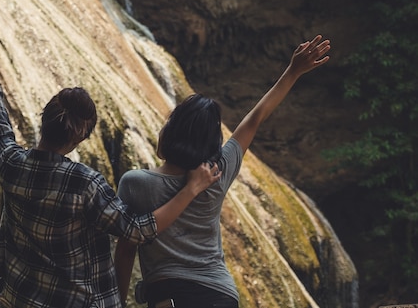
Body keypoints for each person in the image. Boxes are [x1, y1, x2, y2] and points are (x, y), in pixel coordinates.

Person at [0, 5, 222, 308]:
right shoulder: (86, 184)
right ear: (80, 136)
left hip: (22, 298)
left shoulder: (10, 162)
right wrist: (191, 189)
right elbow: (137, 230)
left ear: (44, 119)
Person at [114, 35, 331, 308]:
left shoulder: (136, 183)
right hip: (222, 294)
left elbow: (125, 251)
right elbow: (255, 118)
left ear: (171, 132)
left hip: (171, 295)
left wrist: (118, 302)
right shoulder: (217, 171)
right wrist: (293, 71)